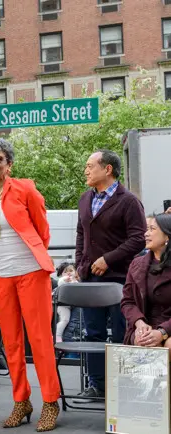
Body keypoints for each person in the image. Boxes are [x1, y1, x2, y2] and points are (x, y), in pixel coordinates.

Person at [0, 138, 60, 432]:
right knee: (11, 342)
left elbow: (42, 230)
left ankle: (50, 402)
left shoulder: (25, 189)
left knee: (40, 339)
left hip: (30, 270)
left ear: (10, 164)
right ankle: (21, 400)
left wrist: (33, 254)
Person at [74, 150, 146, 402]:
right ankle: (97, 385)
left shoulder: (128, 201)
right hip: (90, 280)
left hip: (120, 279)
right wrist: (80, 265)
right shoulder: (85, 199)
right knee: (91, 333)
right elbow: (81, 234)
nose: (86, 170)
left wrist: (108, 259)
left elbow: (138, 238)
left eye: (90, 166)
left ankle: (121, 385)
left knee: (120, 332)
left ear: (107, 169)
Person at [121, 214, 171, 348]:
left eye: (152, 229)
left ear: (167, 236)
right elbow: (127, 301)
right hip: (145, 325)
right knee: (145, 342)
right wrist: (139, 323)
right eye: (146, 229)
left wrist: (163, 332)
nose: (146, 234)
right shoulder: (137, 264)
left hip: (168, 326)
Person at [54, 262, 79, 343]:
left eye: (71, 270)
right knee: (65, 320)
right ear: (61, 274)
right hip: (63, 305)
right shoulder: (62, 281)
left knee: (69, 321)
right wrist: (65, 279)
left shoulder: (76, 281)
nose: (68, 273)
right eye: (65, 271)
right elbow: (60, 283)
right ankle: (57, 336)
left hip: (72, 305)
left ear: (75, 272)